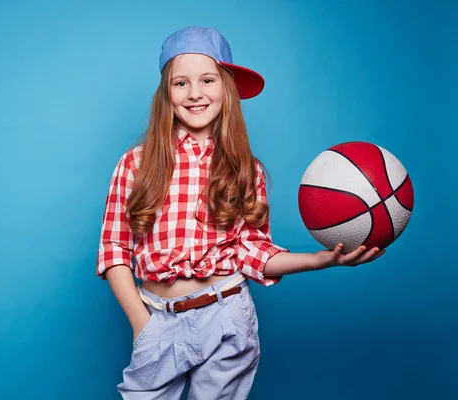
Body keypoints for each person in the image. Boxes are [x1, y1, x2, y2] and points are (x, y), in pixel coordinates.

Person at [96, 26, 384, 400]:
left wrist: (318, 260)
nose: (195, 93)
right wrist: (141, 322)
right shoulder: (135, 164)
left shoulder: (248, 170)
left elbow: (252, 251)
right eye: (181, 83)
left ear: (227, 89)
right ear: (166, 93)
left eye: (208, 80)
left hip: (226, 315)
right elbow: (114, 249)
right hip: (157, 318)